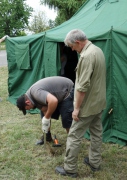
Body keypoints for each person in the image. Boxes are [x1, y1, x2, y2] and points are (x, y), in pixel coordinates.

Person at [55, 29, 106, 178]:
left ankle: (70, 168)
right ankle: (94, 162)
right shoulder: (98, 50)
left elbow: (82, 87)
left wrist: (76, 109)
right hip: (98, 102)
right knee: (97, 134)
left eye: (72, 46)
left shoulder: (86, 56)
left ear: (78, 42)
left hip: (87, 105)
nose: (71, 49)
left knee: (74, 136)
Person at [16, 76, 74, 145]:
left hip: (67, 90)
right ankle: (47, 137)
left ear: (27, 102)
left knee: (66, 118)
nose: (29, 110)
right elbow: (44, 109)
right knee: (44, 115)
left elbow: (53, 101)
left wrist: (47, 117)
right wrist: (45, 122)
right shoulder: (31, 98)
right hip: (56, 94)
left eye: (27, 108)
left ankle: (72, 142)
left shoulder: (36, 93)